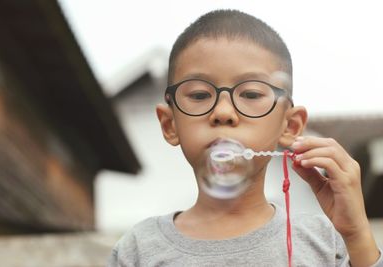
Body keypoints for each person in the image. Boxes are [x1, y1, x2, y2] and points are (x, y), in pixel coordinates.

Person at [108, 9, 382, 267]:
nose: (224, 112)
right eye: (200, 95)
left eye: (250, 94)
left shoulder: (326, 241)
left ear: (289, 125)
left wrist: (357, 233)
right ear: (170, 125)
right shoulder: (138, 250)